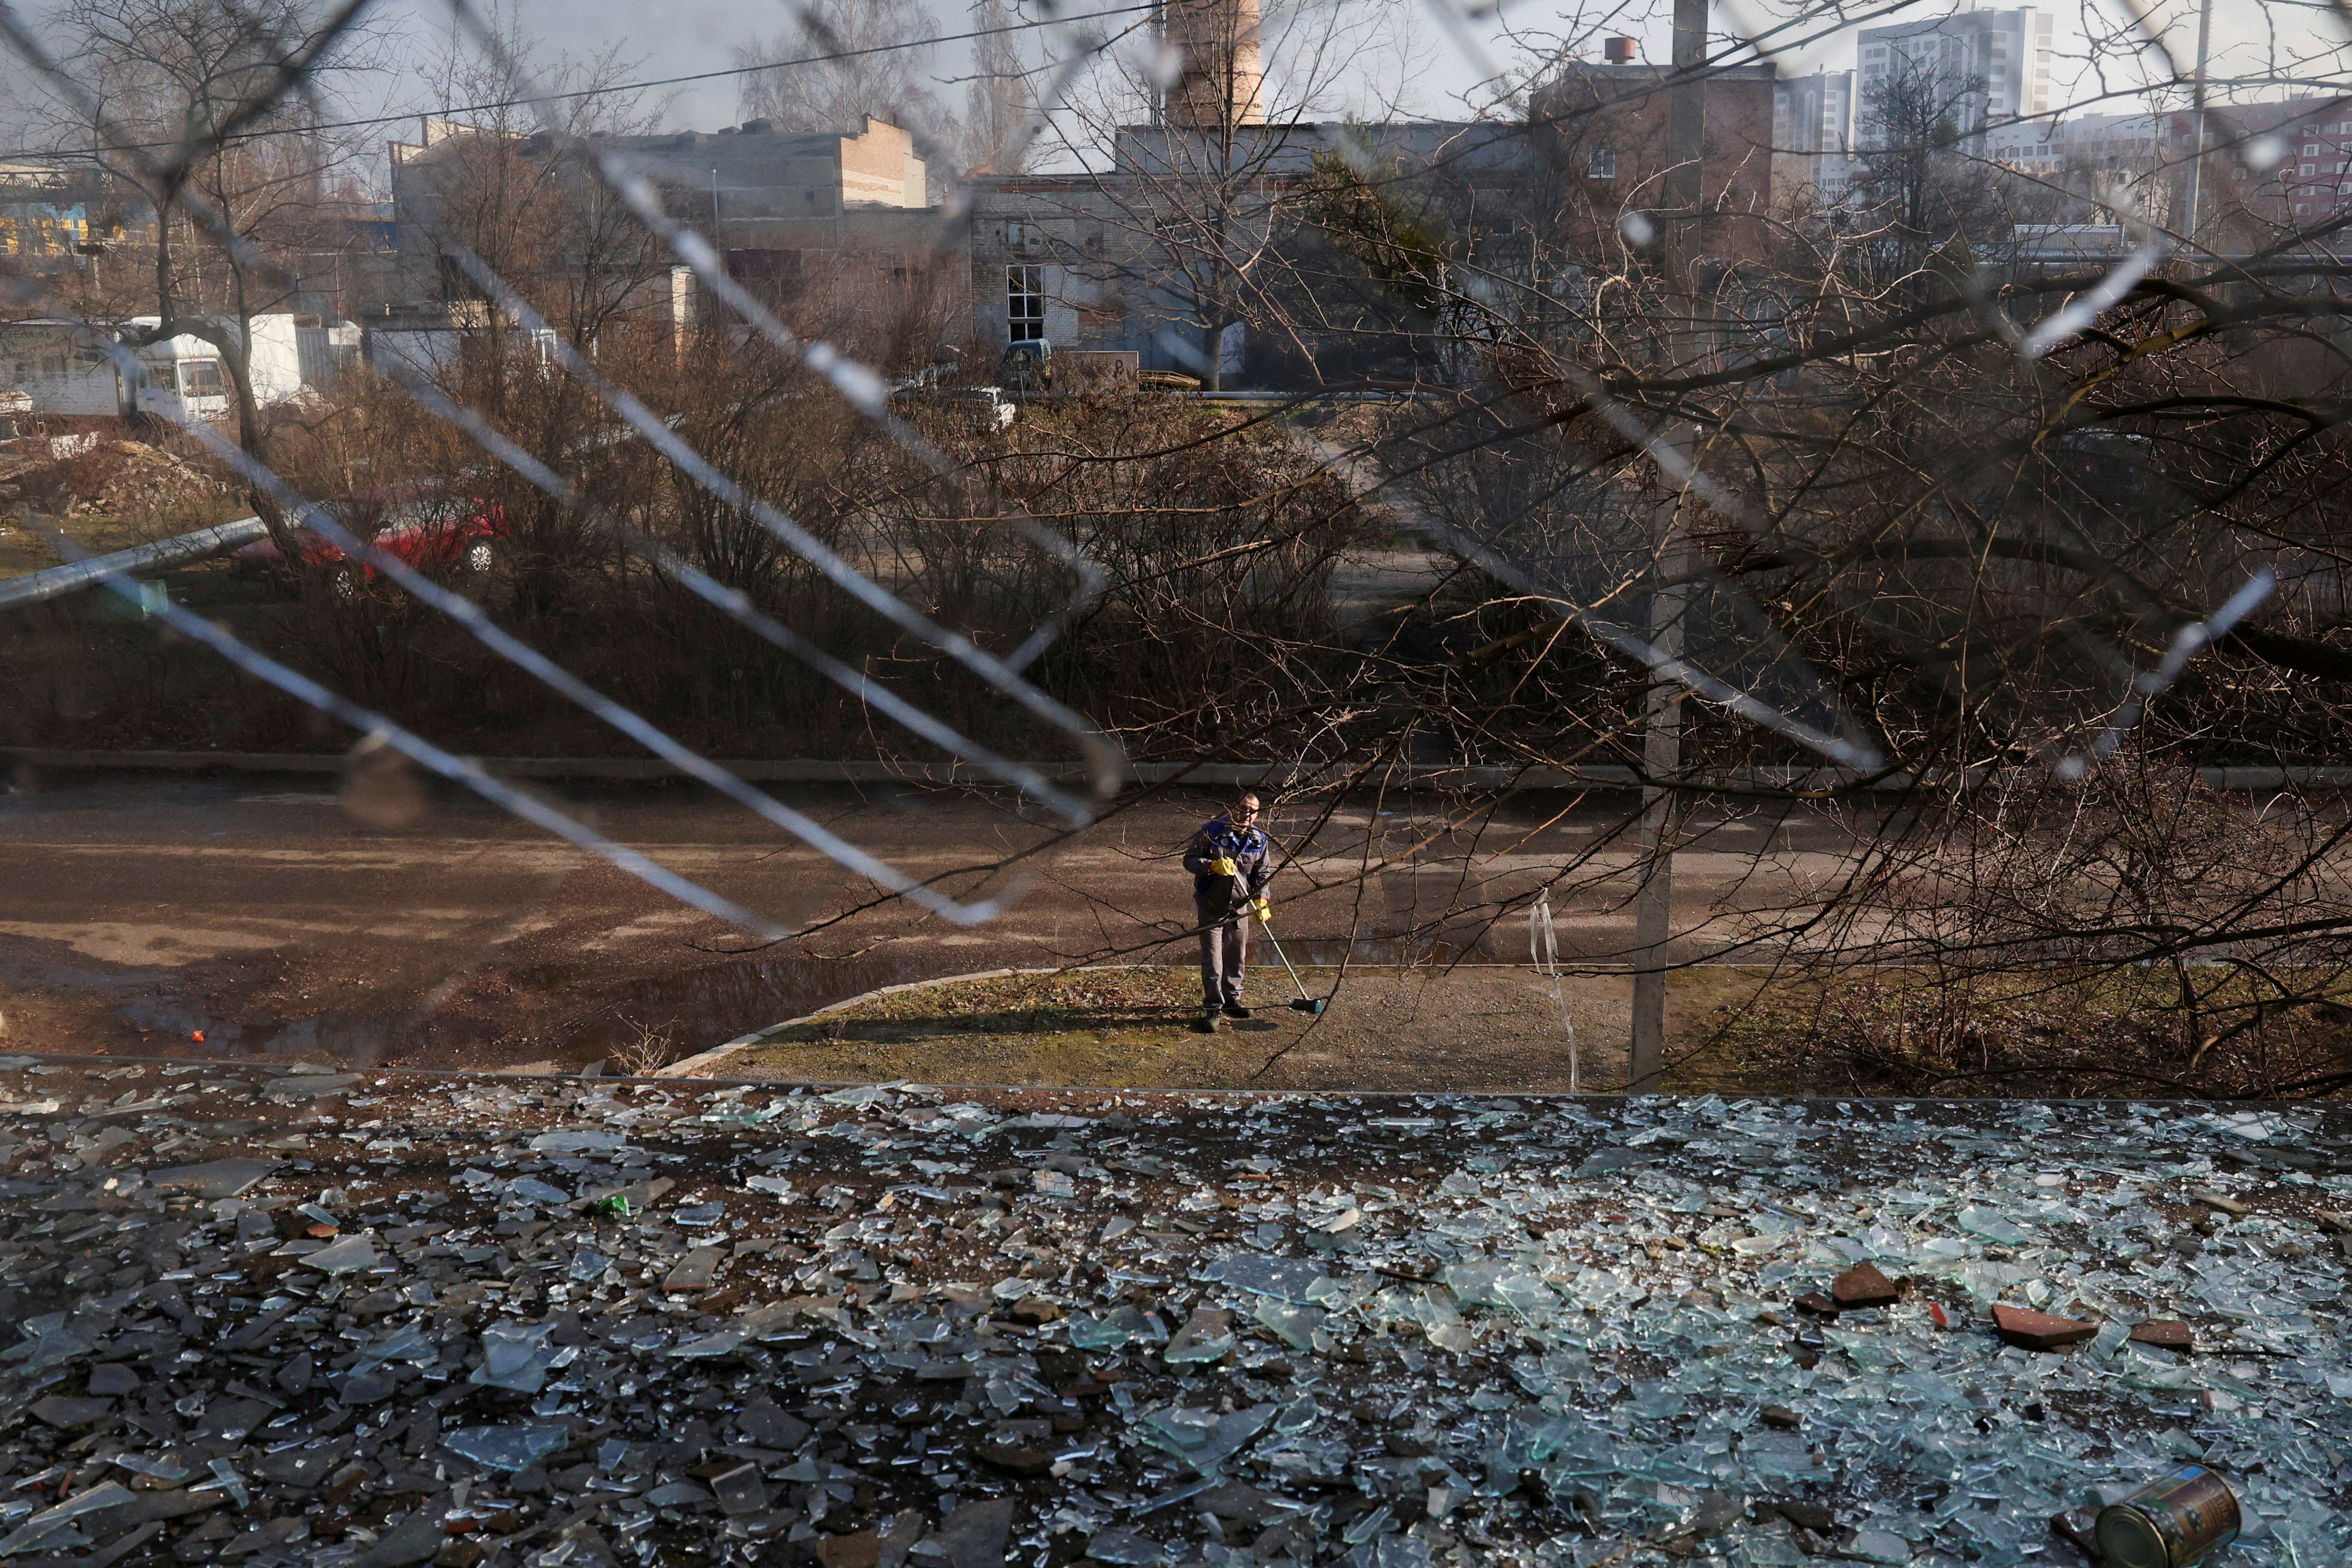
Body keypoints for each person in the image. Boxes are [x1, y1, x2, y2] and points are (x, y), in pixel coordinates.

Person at [1182, 792, 1272, 1032]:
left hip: (1239, 907)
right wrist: (1211, 865)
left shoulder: (1259, 840)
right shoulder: (1211, 831)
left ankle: (1232, 1000)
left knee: (1236, 955)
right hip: (1212, 904)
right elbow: (1189, 860)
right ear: (1232, 808)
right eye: (1243, 807)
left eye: (1253, 810)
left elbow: (1262, 875)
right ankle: (1213, 1007)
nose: (1247, 814)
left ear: (1257, 814)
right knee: (1213, 958)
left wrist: (1262, 901)